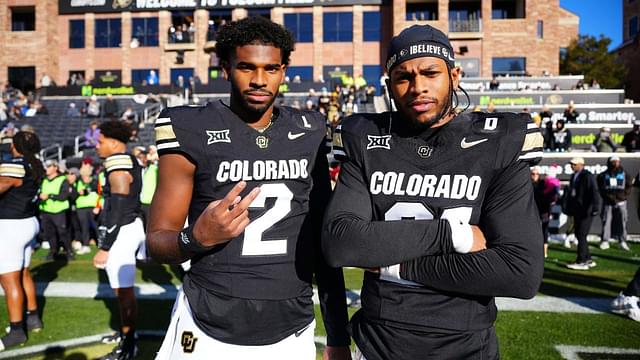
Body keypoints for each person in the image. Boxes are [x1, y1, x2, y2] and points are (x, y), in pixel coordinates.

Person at [322, 24, 544, 359]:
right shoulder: (364, 137)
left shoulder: (498, 140)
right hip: (379, 344)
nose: (418, 87)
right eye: (404, 77)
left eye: (430, 73)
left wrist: (395, 267)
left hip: (466, 348)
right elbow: (341, 243)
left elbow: (519, 272)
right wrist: (453, 236)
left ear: (454, 76)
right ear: (389, 85)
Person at [147, 17, 350, 359]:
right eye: (246, 67)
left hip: (290, 324)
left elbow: (323, 242)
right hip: (208, 319)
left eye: (271, 68)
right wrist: (194, 239)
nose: (259, 80)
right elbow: (157, 241)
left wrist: (338, 334)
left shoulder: (311, 129)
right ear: (224, 68)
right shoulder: (189, 126)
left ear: (284, 70)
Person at [91, 121, 145, 360]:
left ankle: (129, 344)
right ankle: (126, 336)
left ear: (113, 142)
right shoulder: (125, 159)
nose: (97, 146)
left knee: (123, 292)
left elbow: (120, 205)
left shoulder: (118, 161)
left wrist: (105, 246)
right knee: (121, 290)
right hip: (125, 227)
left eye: (100, 141)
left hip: (122, 229)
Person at [0, 132, 44, 351]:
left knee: (9, 279)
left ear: (15, 146)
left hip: (11, 225)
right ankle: (33, 317)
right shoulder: (35, 163)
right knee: (23, 272)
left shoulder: (15, 165)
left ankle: (17, 330)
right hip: (28, 221)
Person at [562, 157, 601, 270]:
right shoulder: (574, 176)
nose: (572, 166)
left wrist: (595, 207)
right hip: (578, 210)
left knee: (581, 235)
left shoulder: (587, 176)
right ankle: (587, 258)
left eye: (574, 164)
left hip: (586, 211)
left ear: (581, 164)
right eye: (571, 164)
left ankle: (582, 261)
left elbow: (594, 191)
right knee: (579, 235)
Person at [597, 156, 633, 251]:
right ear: (609, 163)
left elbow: (629, 187)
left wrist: (622, 197)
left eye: (617, 162)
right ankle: (605, 240)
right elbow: (600, 188)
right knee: (606, 220)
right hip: (608, 201)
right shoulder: (603, 175)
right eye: (613, 162)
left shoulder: (625, 174)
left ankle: (622, 241)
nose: (615, 164)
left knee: (622, 221)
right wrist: (608, 196)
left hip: (621, 201)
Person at [40, 159, 73, 261]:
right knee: (49, 233)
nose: (47, 169)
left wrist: (50, 196)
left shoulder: (63, 179)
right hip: (46, 210)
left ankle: (69, 251)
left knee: (62, 232)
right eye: (46, 166)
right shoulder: (44, 180)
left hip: (59, 211)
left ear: (55, 168)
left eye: (49, 166)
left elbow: (64, 195)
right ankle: (53, 252)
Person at [531, 167, 560, 258]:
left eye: (537, 174)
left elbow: (551, 195)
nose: (535, 176)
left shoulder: (544, 183)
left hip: (543, 210)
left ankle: (544, 252)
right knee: (532, 230)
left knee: (544, 230)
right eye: (533, 174)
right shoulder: (527, 184)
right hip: (531, 211)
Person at [74, 162, 99, 255]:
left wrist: (97, 206)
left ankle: (102, 244)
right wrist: (79, 192)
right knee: (84, 227)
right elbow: (74, 193)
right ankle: (85, 245)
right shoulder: (78, 181)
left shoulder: (94, 181)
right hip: (81, 207)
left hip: (92, 207)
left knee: (96, 226)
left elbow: (99, 193)